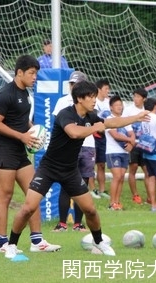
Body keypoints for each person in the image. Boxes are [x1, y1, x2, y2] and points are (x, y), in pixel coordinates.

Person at [3, 80, 150, 258]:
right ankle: (11, 245)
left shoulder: (91, 116)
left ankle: (99, 242)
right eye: (91, 97)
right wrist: (94, 128)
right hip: (48, 168)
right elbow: (73, 133)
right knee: (28, 208)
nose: (94, 100)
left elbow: (111, 123)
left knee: (91, 210)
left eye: (95, 97)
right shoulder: (65, 114)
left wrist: (136, 117)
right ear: (79, 99)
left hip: (70, 171)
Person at [0, 55, 60, 254]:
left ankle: (37, 241)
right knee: (5, 196)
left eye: (36, 73)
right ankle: (2, 243)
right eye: (31, 73)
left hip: (20, 152)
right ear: (19, 72)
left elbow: (20, 120)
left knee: (34, 193)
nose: (35, 77)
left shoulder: (25, 94)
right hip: (4, 150)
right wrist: (21, 136)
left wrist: (33, 130)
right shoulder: (6, 94)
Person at [52, 71, 91, 232]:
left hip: (88, 145)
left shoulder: (91, 101)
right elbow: (58, 125)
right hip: (69, 147)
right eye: (71, 84)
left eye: (76, 84)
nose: (73, 87)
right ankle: (62, 223)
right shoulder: (63, 101)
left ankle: (78, 223)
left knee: (83, 185)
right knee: (66, 184)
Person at [105, 95, 135, 211]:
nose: (119, 107)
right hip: (113, 152)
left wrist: (131, 144)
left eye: (120, 105)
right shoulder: (109, 119)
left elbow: (131, 133)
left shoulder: (125, 120)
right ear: (111, 107)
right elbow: (115, 135)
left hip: (124, 152)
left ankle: (117, 202)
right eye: (116, 105)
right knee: (117, 176)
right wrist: (130, 141)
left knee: (122, 177)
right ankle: (111, 203)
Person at [122, 88, 149, 204]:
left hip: (145, 145)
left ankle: (150, 196)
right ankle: (135, 195)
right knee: (133, 169)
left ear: (144, 99)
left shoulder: (147, 110)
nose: (136, 99)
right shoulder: (128, 110)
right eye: (135, 96)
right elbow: (123, 125)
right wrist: (129, 140)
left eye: (138, 97)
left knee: (147, 170)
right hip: (133, 144)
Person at [93, 78, 111, 198]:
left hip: (105, 136)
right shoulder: (94, 102)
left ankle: (102, 190)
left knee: (101, 164)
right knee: (90, 164)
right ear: (99, 89)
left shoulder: (109, 103)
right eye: (106, 89)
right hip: (95, 136)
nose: (108, 91)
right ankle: (92, 189)